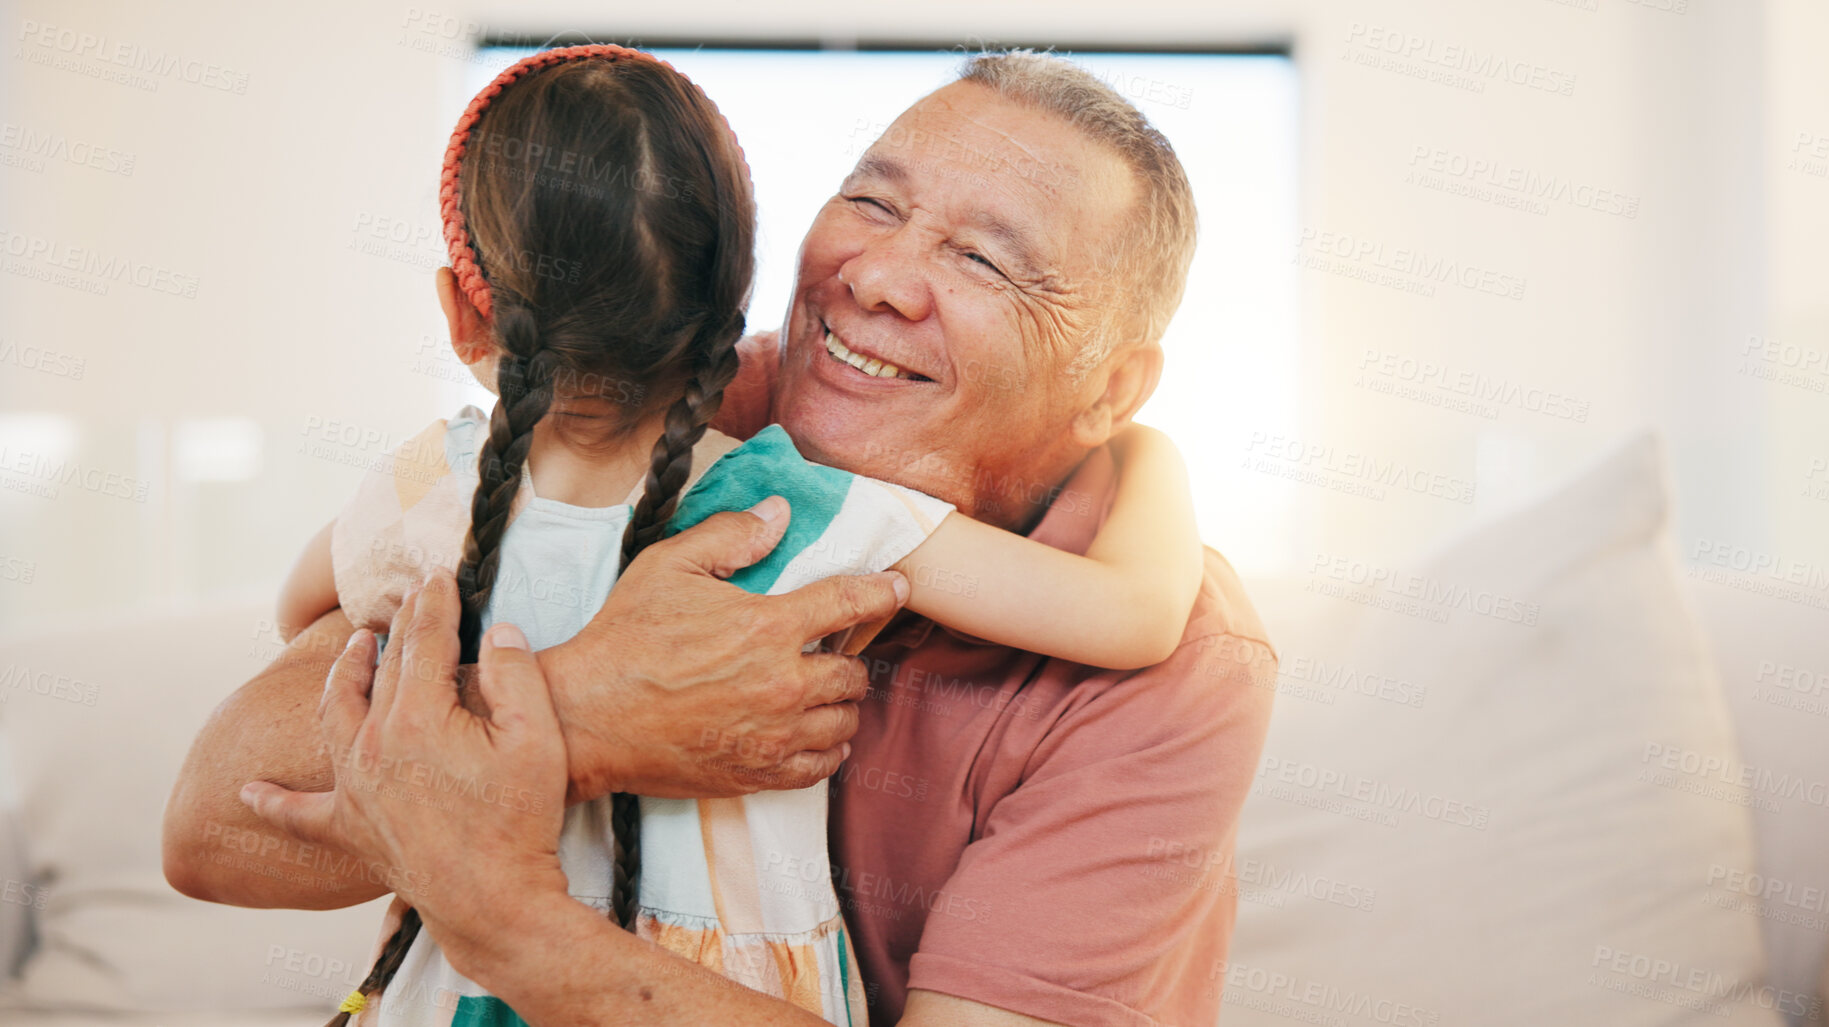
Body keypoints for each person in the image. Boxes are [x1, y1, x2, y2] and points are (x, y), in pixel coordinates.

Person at [166, 50, 1276, 1026]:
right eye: (871, 204)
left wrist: (508, 918)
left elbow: (1131, 621)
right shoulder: (677, 417)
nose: (878, 279)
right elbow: (215, 823)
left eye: (983, 260)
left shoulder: (1186, 667)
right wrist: (594, 707)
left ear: (1111, 392)